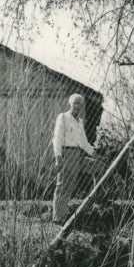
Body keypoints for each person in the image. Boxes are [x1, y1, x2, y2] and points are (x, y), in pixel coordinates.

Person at [52, 93, 95, 224]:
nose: (77, 106)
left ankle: (63, 217)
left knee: (70, 187)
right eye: (75, 103)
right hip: (66, 153)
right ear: (70, 104)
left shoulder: (80, 121)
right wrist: (58, 156)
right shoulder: (63, 117)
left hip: (76, 154)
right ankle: (57, 218)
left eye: (79, 104)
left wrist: (93, 153)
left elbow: (83, 142)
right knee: (62, 186)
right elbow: (57, 138)